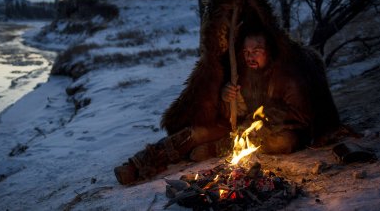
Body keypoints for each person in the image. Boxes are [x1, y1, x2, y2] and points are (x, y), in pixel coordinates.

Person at [114, 30, 340, 185]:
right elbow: (229, 117)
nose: (250, 56)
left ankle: (217, 148)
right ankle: (140, 163)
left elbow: (302, 117)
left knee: (285, 142)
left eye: (257, 50)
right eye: (246, 51)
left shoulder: (288, 77)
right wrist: (226, 98)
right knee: (195, 133)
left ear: (269, 51)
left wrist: (264, 119)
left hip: (275, 132)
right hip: (239, 128)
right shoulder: (241, 72)